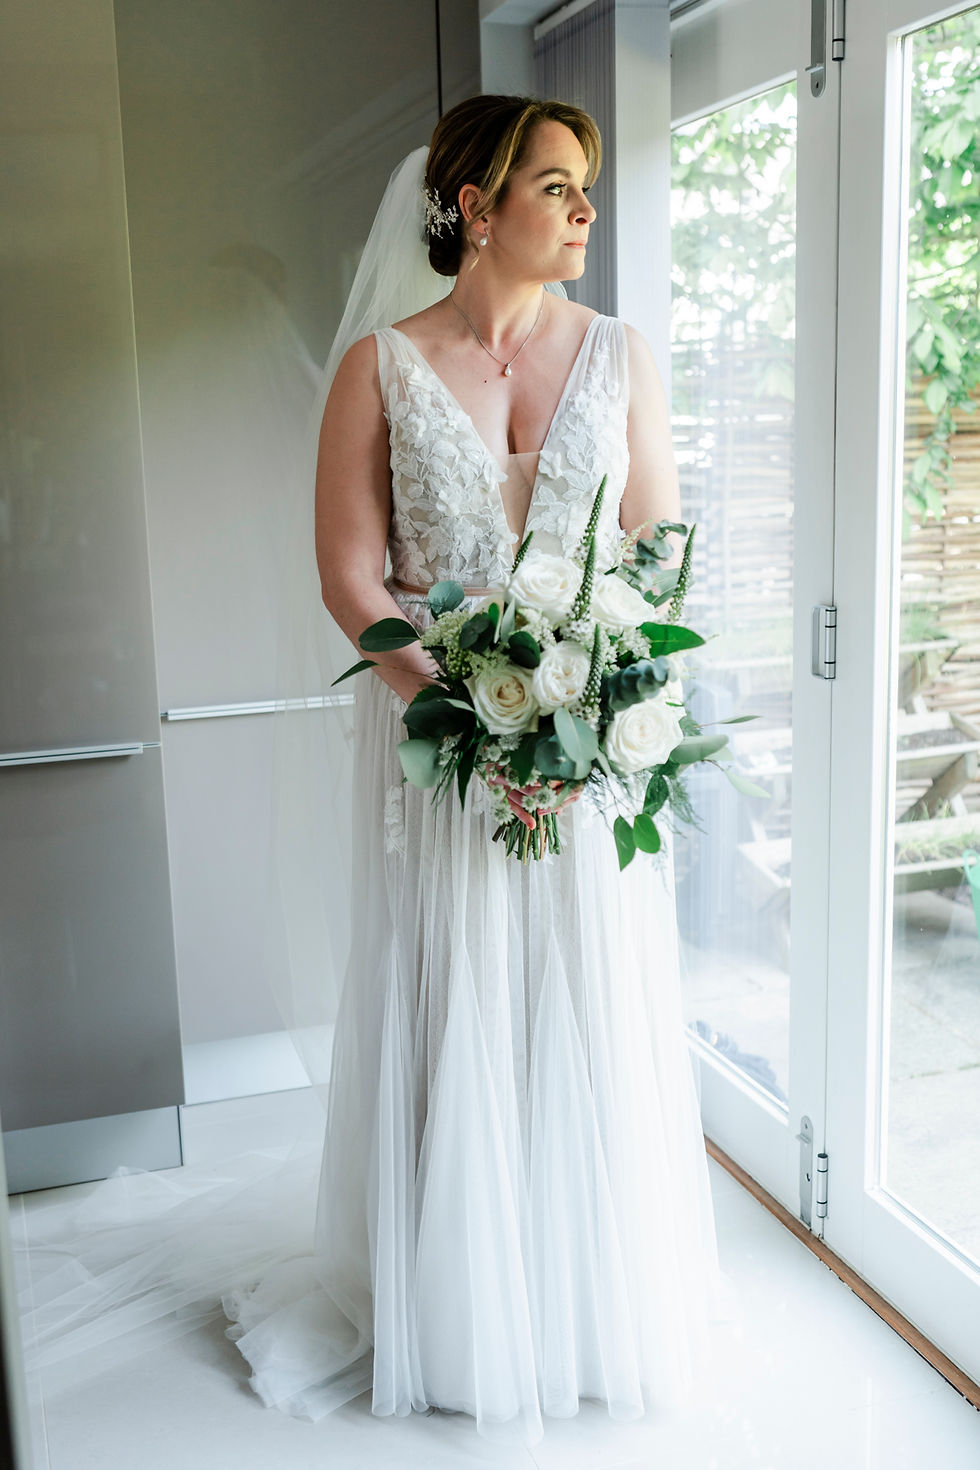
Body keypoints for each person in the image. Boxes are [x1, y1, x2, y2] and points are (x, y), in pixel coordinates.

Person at [224, 94, 733, 1446]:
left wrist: (595, 705)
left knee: (578, 998)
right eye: (559, 187)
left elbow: (657, 552)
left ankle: (574, 1300)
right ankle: (455, 1310)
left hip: (585, 762)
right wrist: (472, 716)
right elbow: (348, 576)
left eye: (585, 190)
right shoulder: (380, 368)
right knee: (455, 1002)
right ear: (474, 207)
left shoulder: (620, 355)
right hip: (442, 759)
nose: (583, 212)